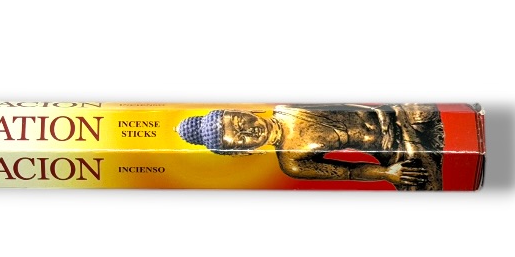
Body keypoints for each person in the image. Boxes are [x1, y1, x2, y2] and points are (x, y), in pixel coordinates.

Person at [176, 104, 444, 190]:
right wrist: (386, 173)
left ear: (245, 111)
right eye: (238, 139)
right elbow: (349, 172)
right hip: (397, 150)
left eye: (239, 121)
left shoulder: (289, 106)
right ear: (242, 152)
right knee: (424, 185)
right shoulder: (292, 162)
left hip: (398, 112)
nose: (248, 130)